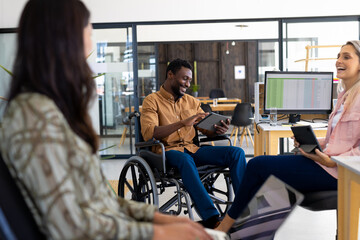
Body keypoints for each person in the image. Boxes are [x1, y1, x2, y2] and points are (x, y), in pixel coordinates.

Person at [0, 1, 214, 240]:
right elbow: (71, 227)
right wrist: (156, 233)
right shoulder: (34, 118)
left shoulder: (55, 112)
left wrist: (159, 218)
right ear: (65, 41)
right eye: (88, 33)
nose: (91, 45)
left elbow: (101, 201)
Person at [216, 40, 360, 232]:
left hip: (340, 172)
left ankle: (225, 227)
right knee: (274, 167)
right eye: (338, 56)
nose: (338, 61)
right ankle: (247, 233)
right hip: (327, 165)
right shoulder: (344, 97)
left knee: (257, 165)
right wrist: (313, 143)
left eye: (346, 57)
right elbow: (338, 140)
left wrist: (331, 161)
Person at [140, 58, 247, 228]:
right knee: (184, 159)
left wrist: (217, 130)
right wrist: (182, 123)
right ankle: (212, 218)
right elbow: (149, 133)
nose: (188, 83)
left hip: (192, 149)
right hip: (166, 151)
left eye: (189, 80)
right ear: (170, 75)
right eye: (184, 79)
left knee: (236, 153)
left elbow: (206, 129)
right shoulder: (152, 101)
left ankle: (244, 210)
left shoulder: (192, 102)